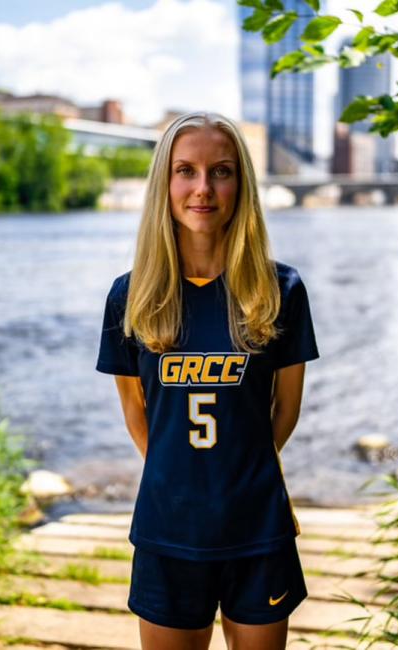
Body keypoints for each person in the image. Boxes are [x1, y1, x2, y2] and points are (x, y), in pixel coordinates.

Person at [95, 111, 320, 650]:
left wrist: (238, 470)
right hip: (168, 528)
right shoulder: (132, 296)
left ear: (241, 182)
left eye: (220, 171)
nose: (203, 188)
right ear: (164, 184)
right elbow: (136, 413)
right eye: (185, 171)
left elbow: (284, 412)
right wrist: (185, 476)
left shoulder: (280, 289)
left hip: (258, 525)